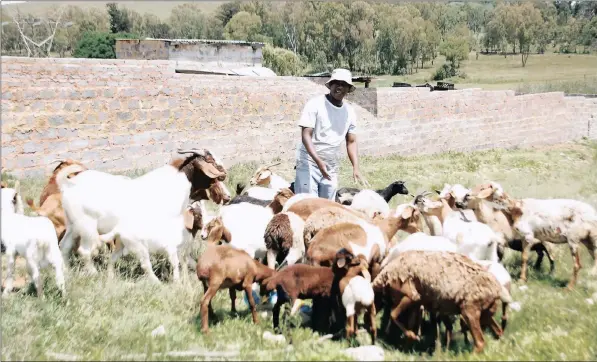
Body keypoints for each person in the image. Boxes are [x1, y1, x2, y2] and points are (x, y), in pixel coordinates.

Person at [294, 68, 370, 200]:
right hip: (309, 162)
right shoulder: (315, 104)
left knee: (327, 206)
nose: (339, 87)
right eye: (336, 83)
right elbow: (306, 135)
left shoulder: (349, 112)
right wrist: (318, 161)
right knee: (308, 204)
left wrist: (356, 167)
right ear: (330, 85)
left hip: (330, 165)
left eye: (344, 84)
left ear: (348, 89)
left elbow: (351, 141)